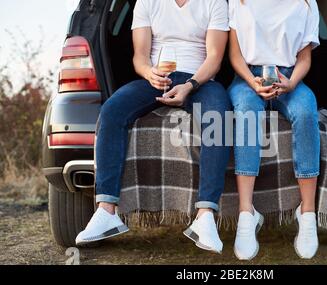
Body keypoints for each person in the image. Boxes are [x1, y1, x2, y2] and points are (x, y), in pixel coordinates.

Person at [76, 0, 231, 254]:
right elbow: (140, 55)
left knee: (219, 117)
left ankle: (205, 216)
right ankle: (106, 212)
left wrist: (190, 85)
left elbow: (215, 57)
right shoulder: (147, 2)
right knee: (111, 112)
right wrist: (149, 73)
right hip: (156, 79)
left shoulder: (214, 2)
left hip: (200, 81)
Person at [227, 0, 321, 260]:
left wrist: (291, 83)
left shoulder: (306, 4)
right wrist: (252, 82)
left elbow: (305, 58)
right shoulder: (238, 2)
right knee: (246, 113)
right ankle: (247, 214)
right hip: (248, 77)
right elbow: (234, 55)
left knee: (305, 113)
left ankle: (307, 213)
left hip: (288, 77)